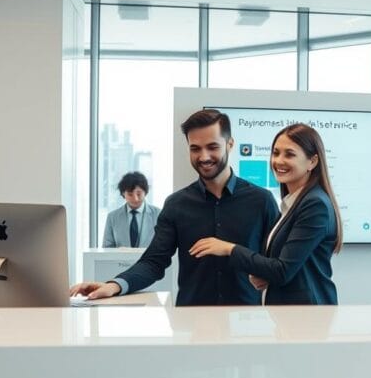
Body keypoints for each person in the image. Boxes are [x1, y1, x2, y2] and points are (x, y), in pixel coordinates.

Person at [69, 109, 280, 305]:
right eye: (195, 148)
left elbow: (278, 264)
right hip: (192, 322)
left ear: (230, 144)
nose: (204, 156)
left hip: (248, 321)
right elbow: (153, 262)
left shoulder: (261, 201)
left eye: (212, 147)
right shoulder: (176, 205)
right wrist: (115, 285)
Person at [189, 123, 342, 305]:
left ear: (312, 162)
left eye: (289, 154)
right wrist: (264, 275)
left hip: (307, 314)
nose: (279, 161)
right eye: (276, 153)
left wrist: (229, 249)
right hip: (292, 313)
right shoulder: (293, 203)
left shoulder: (315, 204)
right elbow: (288, 266)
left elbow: (282, 270)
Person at [102, 171, 160, 248]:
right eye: (130, 194)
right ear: (123, 193)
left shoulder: (158, 214)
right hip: (120, 256)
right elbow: (107, 247)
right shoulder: (112, 217)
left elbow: (164, 243)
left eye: (139, 194)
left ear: (145, 192)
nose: (135, 199)